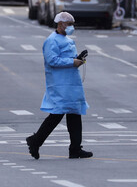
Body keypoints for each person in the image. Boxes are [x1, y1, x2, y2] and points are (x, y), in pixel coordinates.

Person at [26, 11, 92, 160]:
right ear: (61, 24)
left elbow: (68, 58)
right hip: (59, 84)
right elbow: (52, 60)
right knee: (56, 115)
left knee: (75, 114)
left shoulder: (68, 40)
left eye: (72, 24)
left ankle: (75, 148)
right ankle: (35, 141)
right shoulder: (51, 41)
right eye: (69, 24)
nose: (71, 27)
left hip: (71, 84)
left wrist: (77, 60)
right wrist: (71, 62)